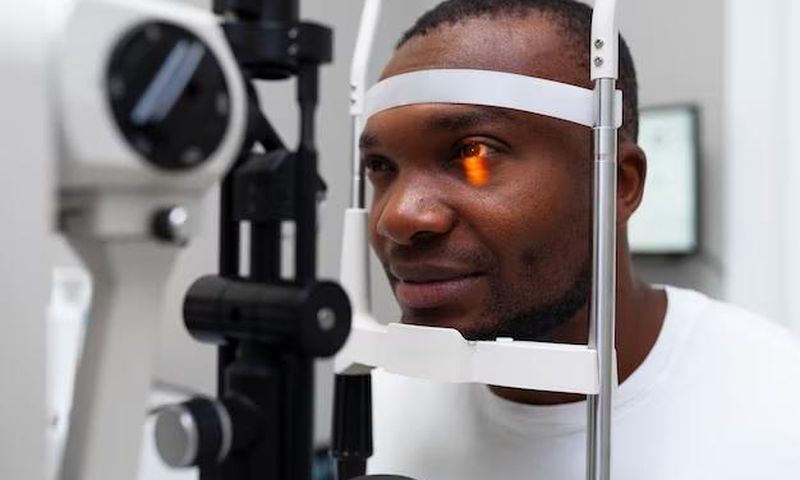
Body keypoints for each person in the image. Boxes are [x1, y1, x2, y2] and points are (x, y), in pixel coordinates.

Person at [358, 1, 800, 478]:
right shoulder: (379, 409)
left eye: (474, 153)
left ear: (619, 184)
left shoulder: (779, 409)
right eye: (381, 166)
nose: (397, 217)